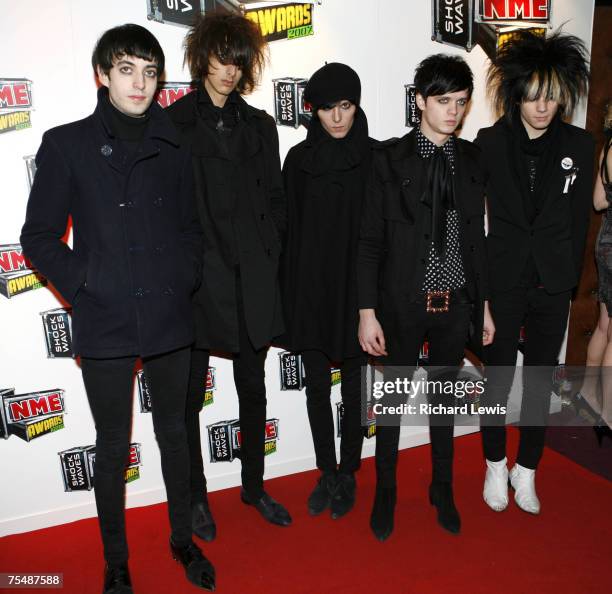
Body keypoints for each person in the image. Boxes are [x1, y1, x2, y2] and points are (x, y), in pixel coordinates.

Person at [20, 24, 214, 593]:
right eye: (127, 69)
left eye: (150, 72)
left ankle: (182, 541)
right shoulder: (66, 144)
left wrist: (184, 277)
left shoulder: (176, 145)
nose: (140, 83)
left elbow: (191, 228)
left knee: (176, 436)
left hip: (169, 316)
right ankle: (116, 562)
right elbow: (38, 237)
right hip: (104, 318)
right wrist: (88, 283)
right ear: (103, 76)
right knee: (111, 448)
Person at [358, 54, 493, 541]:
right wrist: (367, 312)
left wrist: (485, 307)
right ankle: (386, 493)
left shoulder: (473, 161)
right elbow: (370, 241)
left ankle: (442, 489)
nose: (453, 111)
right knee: (391, 406)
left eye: (460, 102)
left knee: (443, 403)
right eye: (442, 101)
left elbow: (478, 240)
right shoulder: (388, 160)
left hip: (455, 304)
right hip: (401, 303)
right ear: (419, 101)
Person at [166, 12, 290, 536]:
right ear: (201, 60)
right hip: (197, 284)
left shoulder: (260, 127)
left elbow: (277, 202)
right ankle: (196, 497)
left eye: (238, 63)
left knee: (254, 391)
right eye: (220, 60)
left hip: (251, 281)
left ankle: (254, 486)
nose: (228, 72)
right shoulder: (171, 124)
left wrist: (269, 258)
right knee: (190, 399)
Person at [475, 30, 594, 515]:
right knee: (497, 383)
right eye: (533, 95)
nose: (543, 106)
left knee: (540, 383)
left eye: (552, 96)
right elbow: (470, 220)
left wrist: (567, 280)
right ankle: (494, 464)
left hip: (552, 282)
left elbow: (579, 222)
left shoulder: (580, 146)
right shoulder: (486, 144)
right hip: (501, 281)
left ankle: (527, 471)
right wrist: (480, 292)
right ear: (515, 93)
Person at [280, 63, 372, 518]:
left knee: (355, 389)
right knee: (316, 387)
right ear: (311, 109)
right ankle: (326, 470)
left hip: (359, 296)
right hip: (312, 291)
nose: (336, 117)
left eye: (345, 106)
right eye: (325, 108)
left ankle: (350, 472)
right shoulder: (298, 160)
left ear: (356, 105)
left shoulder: (375, 158)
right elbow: (288, 233)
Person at [580, 101, 612, 441]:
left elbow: (599, 202)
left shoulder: (609, 147)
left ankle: (589, 395)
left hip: (606, 241)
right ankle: (607, 414)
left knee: (605, 325)